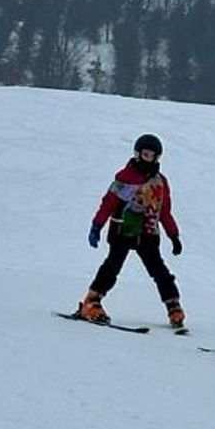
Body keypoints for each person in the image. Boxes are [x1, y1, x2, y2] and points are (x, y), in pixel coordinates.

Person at [75, 133, 185, 328]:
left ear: (157, 157)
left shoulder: (160, 182)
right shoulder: (125, 178)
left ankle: (173, 305)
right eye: (144, 154)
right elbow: (107, 203)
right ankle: (91, 301)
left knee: (159, 271)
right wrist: (97, 226)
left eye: (151, 155)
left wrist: (173, 235)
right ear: (137, 154)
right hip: (122, 231)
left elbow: (164, 211)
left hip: (148, 233)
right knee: (112, 267)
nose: (147, 159)